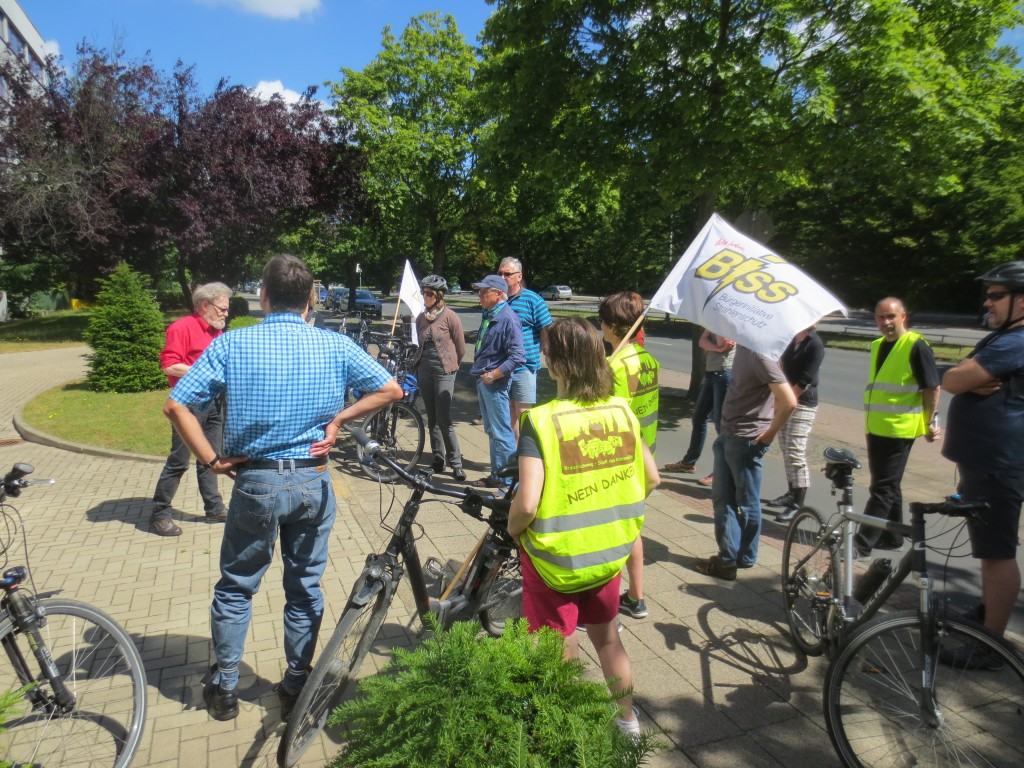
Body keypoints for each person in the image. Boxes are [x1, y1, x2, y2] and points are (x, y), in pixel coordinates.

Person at [163, 254, 402, 722]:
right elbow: (391, 389)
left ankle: (226, 689)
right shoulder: (334, 345)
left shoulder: (234, 345)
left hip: (256, 481)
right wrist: (341, 419)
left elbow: (177, 406)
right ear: (311, 300)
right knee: (305, 585)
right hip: (313, 482)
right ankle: (295, 684)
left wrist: (211, 461)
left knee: (236, 587)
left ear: (264, 296)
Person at [507, 317, 660, 738]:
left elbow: (528, 501)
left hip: (554, 560)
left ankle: (567, 724)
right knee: (609, 640)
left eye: (545, 351)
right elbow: (653, 478)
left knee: (563, 642)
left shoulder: (539, 421)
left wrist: (513, 530)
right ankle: (628, 723)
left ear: (556, 364)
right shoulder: (623, 410)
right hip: (609, 553)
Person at [941, 261, 1024, 652]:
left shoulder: (1015, 341)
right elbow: (957, 374)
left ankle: (991, 646)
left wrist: (960, 376)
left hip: (998, 462)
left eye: (996, 295)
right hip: (991, 460)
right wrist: (960, 374)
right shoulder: (1005, 339)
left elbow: (955, 380)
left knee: (996, 553)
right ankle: (986, 614)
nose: (987, 303)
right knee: (990, 547)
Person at [696, 345, 796, 580]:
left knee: (743, 503)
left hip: (745, 440)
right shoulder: (745, 348)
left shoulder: (761, 354)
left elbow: (789, 401)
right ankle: (737, 557)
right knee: (724, 500)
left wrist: (769, 434)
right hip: (729, 435)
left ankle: (733, 560)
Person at [856, 297, 940, 558]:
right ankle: (892, 537)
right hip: (877, 427)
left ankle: (861, 543)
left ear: (904, 316)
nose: (886, 322)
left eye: (891, 316)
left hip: (900, 429)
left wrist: (930, 421)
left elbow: (932, 387)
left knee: (882, 488)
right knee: (888, 484)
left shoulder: (916, 345)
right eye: (881, 317)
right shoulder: (877, 345)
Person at [150, 282, 233, 537]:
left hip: (215, 401)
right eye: (222, 309)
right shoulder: (182, 327)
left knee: (210, 456)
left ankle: (214, 508)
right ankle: (159, 514)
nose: (226, 314)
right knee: (179, 460)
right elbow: (169, 365)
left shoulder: (215, 332)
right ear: (204, 305)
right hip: (189, 405)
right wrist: (205, 372)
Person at [599, 292, 660, 620]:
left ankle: (604, 605)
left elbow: (613, 419)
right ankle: (636, 597)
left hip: (621, 460)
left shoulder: (616, 365)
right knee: (632, 527)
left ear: (609, 326)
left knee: (610, 530)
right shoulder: (648, 359)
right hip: (644, 453)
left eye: (602, 321)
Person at [469, 275, 526, 489]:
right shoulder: (490, 314)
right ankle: (497, 476)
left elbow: (518, 356)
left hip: (495, 384)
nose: (481, 295)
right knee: (493, 431)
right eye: (480, 291)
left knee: (502, 433)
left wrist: (494, 374)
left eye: (485, 292)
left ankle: (509, 482)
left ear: (499, 294)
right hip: (484, 381)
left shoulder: (508, 318)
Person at [663, 328, 735, 487]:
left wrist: (717, 343)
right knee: (699, 417)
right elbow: (702, 341)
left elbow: (725, 343)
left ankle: (722, 472)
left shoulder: (731, 319)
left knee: (720, 424)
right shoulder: (715, 318)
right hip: (711, 373)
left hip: (725, 373)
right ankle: (688, 462)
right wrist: (716, 348)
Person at [768, 326, 825, 523]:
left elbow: (806, 380)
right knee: (786, 449)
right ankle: (791, 493)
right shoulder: (792, 339)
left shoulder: (815, 344)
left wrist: (786, 400)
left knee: (795, 450)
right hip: (787, 401)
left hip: (803, 403)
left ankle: (797, 504)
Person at [413, 275, 467, 480]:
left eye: (429, 294)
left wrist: (453, 368)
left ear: (439, 296)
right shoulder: (421, 318)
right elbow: (419, 344)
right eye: (423, 293)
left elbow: (461, 348)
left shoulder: (450, 317)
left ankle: (456, 463)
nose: (425, 297)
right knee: (432, 418)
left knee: (444, 419)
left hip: (444, 371)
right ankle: (438, 459)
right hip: (424, 370)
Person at [498, 257, 553, 441]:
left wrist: (547, 355)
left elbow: (546, 328)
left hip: (524, 366)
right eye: (500, 273)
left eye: (507, 274)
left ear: (519, 276)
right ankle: (514, 456)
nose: (502, 277)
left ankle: (528, 457)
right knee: (508, 413)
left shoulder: (532, 300)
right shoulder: (498, 299)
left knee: (523, 413)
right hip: (501, 367)